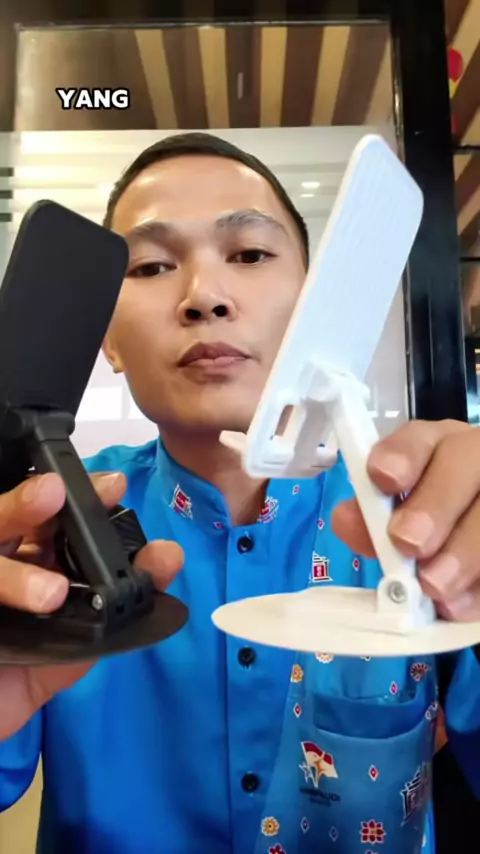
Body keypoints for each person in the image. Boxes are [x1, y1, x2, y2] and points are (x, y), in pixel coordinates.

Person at [0, 132, 479, 854]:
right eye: (152, 266)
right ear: (109, 340)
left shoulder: (422, 522)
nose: (204, 296)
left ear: (320, 303)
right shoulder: (40, 530)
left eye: (250, 254)